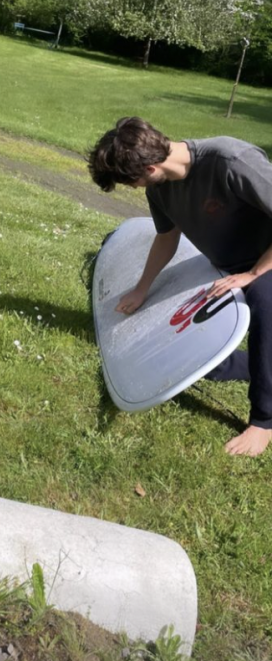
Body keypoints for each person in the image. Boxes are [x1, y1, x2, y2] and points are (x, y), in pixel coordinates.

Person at [88, 116, 272, 457]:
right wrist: (143, 288)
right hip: (225, 265)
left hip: (265, 260)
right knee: (193, 356)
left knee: (265, 303)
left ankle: (264, 421)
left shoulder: (231, 161)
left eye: (133, 183)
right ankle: (261, 367)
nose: (135, 189)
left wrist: (254, 274)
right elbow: (166, 238)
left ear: (152, 167)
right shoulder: (160, 189)